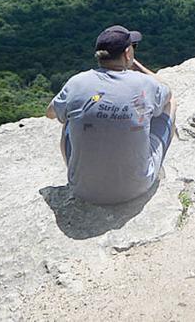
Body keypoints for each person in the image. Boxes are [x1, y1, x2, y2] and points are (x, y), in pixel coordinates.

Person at [45, 24, 176, 205]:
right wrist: (134, 64)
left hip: (83, 190)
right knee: (169, 103)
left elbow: (50, 113)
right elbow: (167, 90)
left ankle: (83, 173)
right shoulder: (144, 84)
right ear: (127, 53)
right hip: (136, 188)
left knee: (67, 119)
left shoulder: (77, 82)